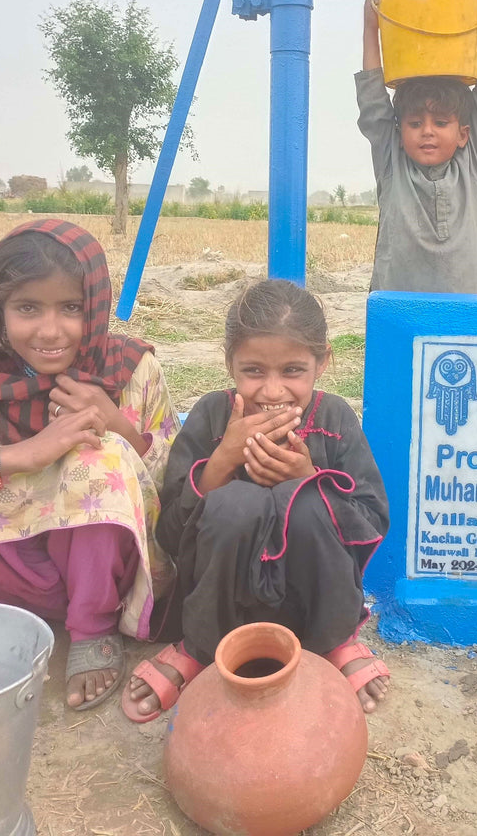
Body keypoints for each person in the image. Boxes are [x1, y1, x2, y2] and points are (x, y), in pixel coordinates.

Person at [0, 219, 179, 709]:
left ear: (96, 307)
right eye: (27, 308)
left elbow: (180, 487)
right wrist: (20, 457)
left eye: (71, 308)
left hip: (104, 569)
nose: (50, 330)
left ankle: (91, 627)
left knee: (96, 452)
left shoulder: (131, 371)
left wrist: (120, 429)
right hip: (9, 569)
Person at [124, 279, 390, 722]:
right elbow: (169, 533)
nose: (271, 391)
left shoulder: (336, 419)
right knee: (235, 504)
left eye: (292, 371)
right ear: (230, 363)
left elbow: (372, 523)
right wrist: (221, 463)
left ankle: (335, 641)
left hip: (311, 600)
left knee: (303, 502)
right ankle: (198, 648)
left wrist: (309, 478)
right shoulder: (211, 416)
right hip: (220, 603)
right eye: (253, 371)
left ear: (322, 362)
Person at [356, 0, 477, 294]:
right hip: (398, 311)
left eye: (440, 122)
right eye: (414, 123)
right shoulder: (392, 162)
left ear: (463, 134)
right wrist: (371, 28)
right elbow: (373, 101)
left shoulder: (471, 165)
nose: (427, 131)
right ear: (399, 134)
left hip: (468, 314)